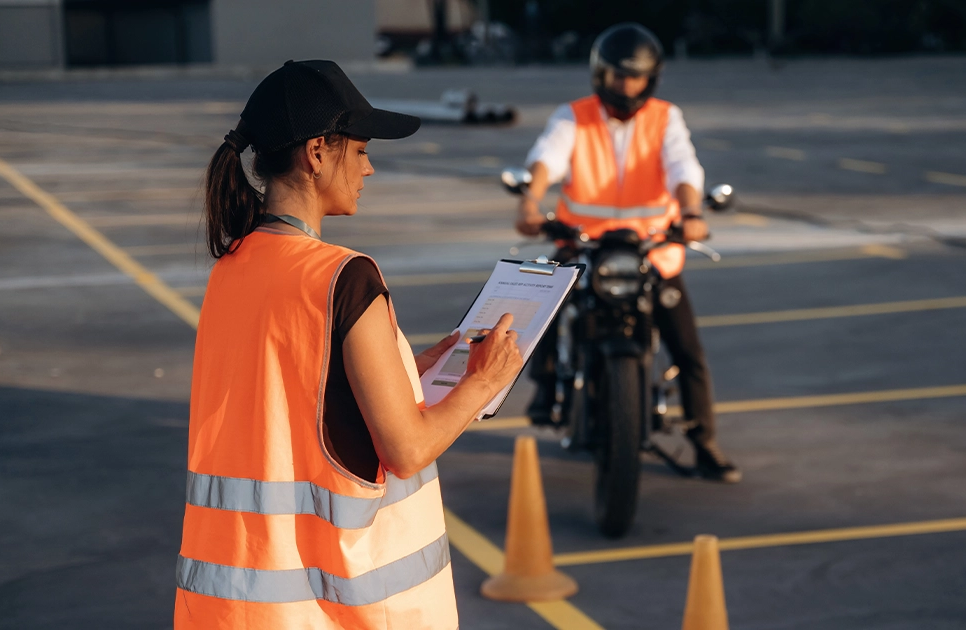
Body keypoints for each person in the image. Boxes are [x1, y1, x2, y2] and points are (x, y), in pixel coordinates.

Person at [175, 60, 523, 629]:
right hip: (328, 609)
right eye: (359, 151)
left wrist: (405, 369)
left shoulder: (233, 269)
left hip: (231, 605)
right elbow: (407, 449)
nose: (370, 167)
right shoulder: (344, 277)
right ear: (317, 153)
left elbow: (293, 394)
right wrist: (484, 380)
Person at [515, 23, 740, 483]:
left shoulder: (665, 118)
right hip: (583, 246)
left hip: (652, 252)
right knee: (545, 310)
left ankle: (705, 441)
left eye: (636, 76)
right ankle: (544, 386)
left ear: (651, 78)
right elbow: (547, 158)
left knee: (687, 347)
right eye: (619, 75)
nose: (627, 85)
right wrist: (530, 199)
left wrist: (693, 211)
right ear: (602, 74)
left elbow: (684, 166)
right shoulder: (574, 115)